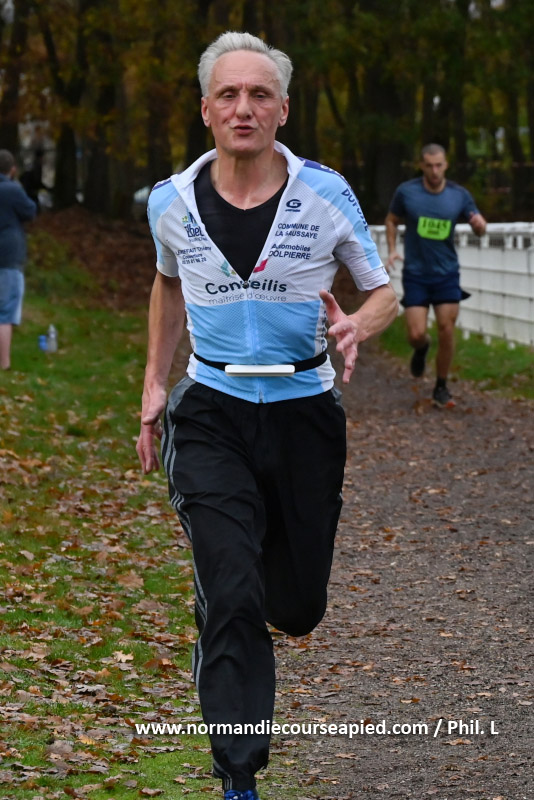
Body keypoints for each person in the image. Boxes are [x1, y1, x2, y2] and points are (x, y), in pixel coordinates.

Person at [136, 31, 398, 800]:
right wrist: (154, 384)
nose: (243, 107)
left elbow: (383, 291)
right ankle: (238, 773)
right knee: (232, 590)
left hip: (304, 414)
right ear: (206, 110)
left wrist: (358, 324)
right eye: (228, 94)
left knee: (297, 606)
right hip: (210, 410)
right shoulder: (170, 201)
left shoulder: (327, 193)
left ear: (283, 109)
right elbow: (167, 285)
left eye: (259, 95)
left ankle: (247, 591)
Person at [385, 143, 487, 408]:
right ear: (422, 165)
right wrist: (393, 250)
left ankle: (441, 386)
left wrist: (479, 225)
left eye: (439, 165)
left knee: (446, 328)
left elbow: (478, 225)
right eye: (429, 166)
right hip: (416, 274)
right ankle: (422, 348)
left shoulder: (459, 195)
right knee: (416, 334)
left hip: (446, 273)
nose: (434, 171)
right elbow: (391, 220)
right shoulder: (407, 192)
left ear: (446, 165)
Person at [0, 149, 37, 370]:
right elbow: (30, 211)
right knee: (5, 312)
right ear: (12, 170)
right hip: (7, 256)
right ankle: (4, 363)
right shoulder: (12, 190)